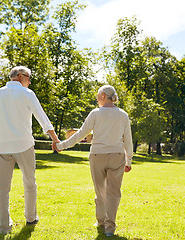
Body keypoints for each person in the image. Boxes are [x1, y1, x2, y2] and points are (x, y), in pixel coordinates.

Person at [0, 66, 60, 234]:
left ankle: (4, 227)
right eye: (28, 77)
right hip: (24, 146)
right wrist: (55, 139)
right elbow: (42, 118)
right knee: (29, 183)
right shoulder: (28, 94)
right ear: (19, 77)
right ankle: (31, 217)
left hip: (2, 147)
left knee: (1, 188)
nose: (30, 81)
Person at [54, 85, 133, 237]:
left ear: (103, 95)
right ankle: (109, 226)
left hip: (97, 156)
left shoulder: (95, 113)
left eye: (98, 96)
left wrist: (62, 146)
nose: (96, 99)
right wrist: (128, 160)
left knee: (100, 192)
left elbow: (80, 134)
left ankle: (101, 222)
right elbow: (128, 140)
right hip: (117, 156)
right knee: (113, 192)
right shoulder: (123, 115)